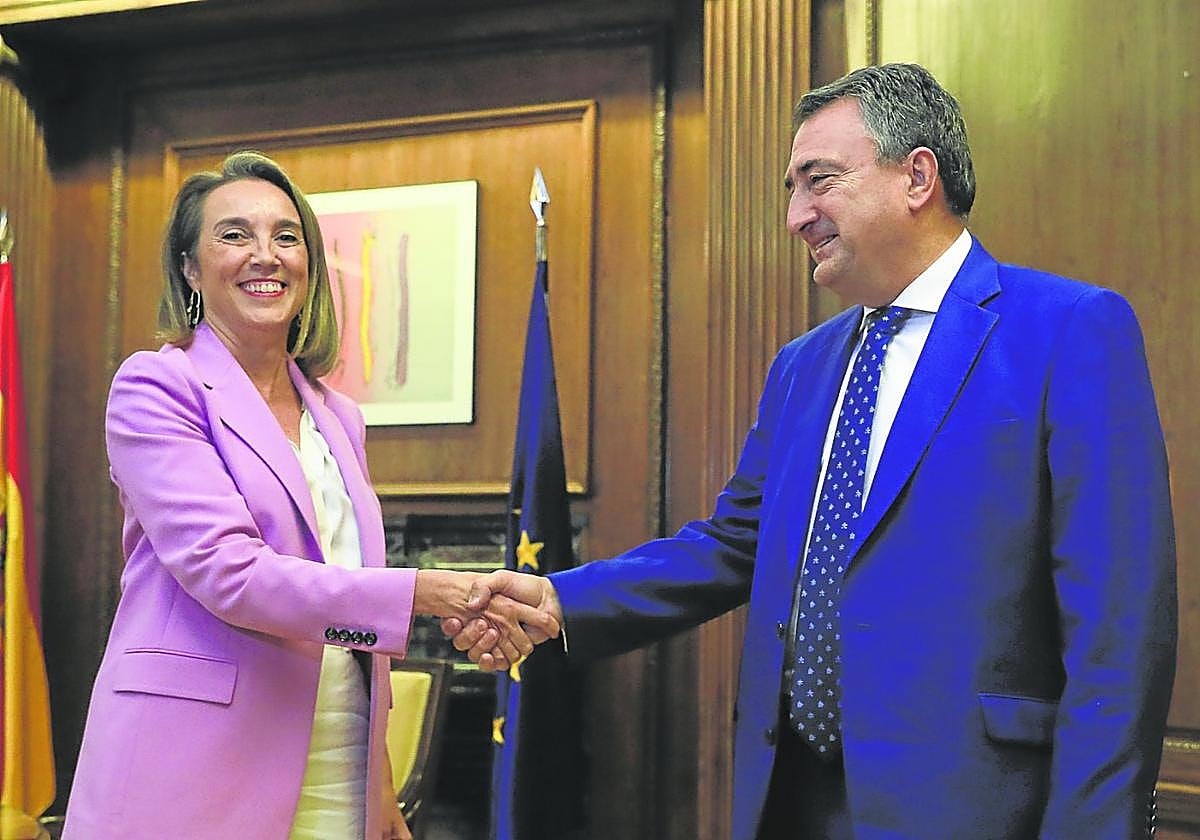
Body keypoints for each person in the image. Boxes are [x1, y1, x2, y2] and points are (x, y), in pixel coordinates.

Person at [446, 63, 1178, 838]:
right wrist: (564, 600)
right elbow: (736, 545)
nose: (797, 215)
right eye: (791, 191)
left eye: (818, 181)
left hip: (975, 809)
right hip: (789, 801)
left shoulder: (1066, 331)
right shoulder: (803, 366)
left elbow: (1120, 636)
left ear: (917, 177)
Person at [63, 151, 558, 840]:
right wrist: (426, 593)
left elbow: (348, 602)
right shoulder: (156, 387)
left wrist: (378, 778)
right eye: (234, 235)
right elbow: (229, 574)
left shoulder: (338, 417)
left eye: (286, 236)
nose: (265, 255)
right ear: (189, 269)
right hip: (193, 763)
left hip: (336, 764)